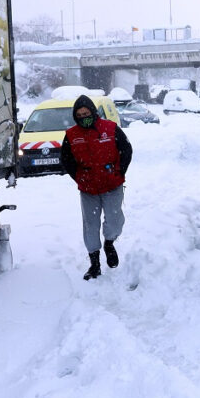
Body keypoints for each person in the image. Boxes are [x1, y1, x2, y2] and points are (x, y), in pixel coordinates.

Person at [60, 94, 133, 280]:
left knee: (115, 220)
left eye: (86, 112)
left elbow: (126, 149)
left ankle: (109, 242)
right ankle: (94, 263)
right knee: (90, 225)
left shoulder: (110, 128)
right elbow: (66, 160)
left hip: (112, 185)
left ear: (93, 111)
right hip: (88, 189)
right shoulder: (71, 135)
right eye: (80, 114)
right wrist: (79, 177)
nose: (84, 116)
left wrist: (119, 172)